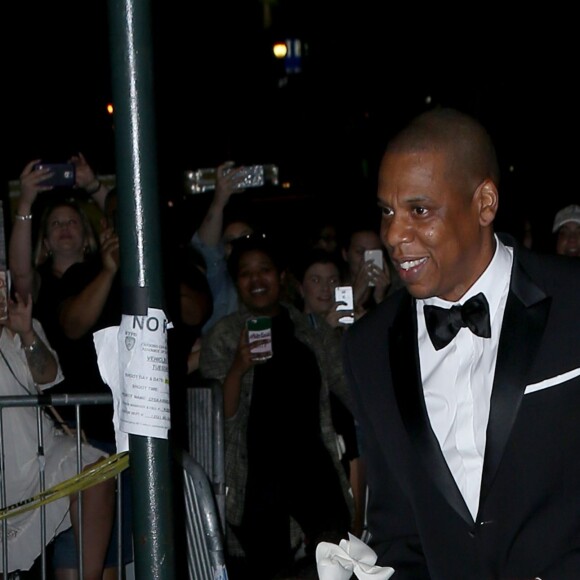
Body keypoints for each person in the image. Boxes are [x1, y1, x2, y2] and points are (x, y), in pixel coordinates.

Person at [342, 106, 580, 579]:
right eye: (387, 211)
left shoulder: (574, 301)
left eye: (419, 210)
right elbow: (397, 530)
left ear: (484, 203)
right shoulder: (368, 349)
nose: (393, 234)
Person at [199, 234, 355, 580]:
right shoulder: (224, 336)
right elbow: (218, 416)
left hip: (314, 476)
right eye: (245, 273)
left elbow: (349, 388)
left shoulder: (309, 332)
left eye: (265, 270)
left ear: (281, 275)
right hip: (257, 483)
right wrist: (239, 366)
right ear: (236, 281)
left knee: (331, 571)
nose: (256, 280)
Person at [0, 290, 114, 579]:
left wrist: (26, 332)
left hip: (38, 453)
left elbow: (48, 376)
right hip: (6, 471)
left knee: (95, 473)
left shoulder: (20, 325)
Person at [190, 161, 256, 334]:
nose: (239, 246)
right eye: (230, 241)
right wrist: (219, 202)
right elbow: (205, 249)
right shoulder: (217, 282)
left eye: (245, 237)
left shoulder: (274, 279)